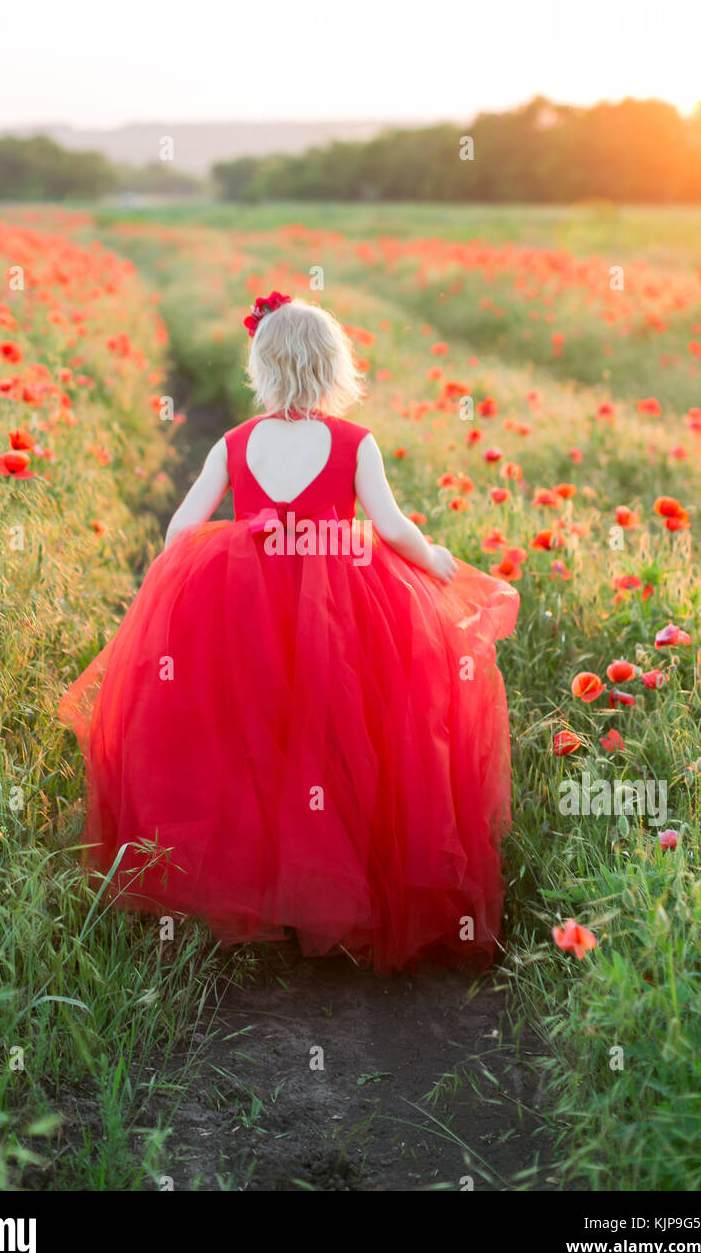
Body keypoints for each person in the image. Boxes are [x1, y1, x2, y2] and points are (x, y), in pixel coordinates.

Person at [59, 293, 519, 973]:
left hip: (245, 607)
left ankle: (260, 888)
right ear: (335, 368)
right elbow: (390, 528)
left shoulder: (236, 442)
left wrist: (192, 570)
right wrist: (435, 561)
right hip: (342, 606)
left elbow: (181, 527)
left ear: (261, 367)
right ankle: (337, 886)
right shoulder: (354, 442)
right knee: (339, 735)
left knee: (252, 734)